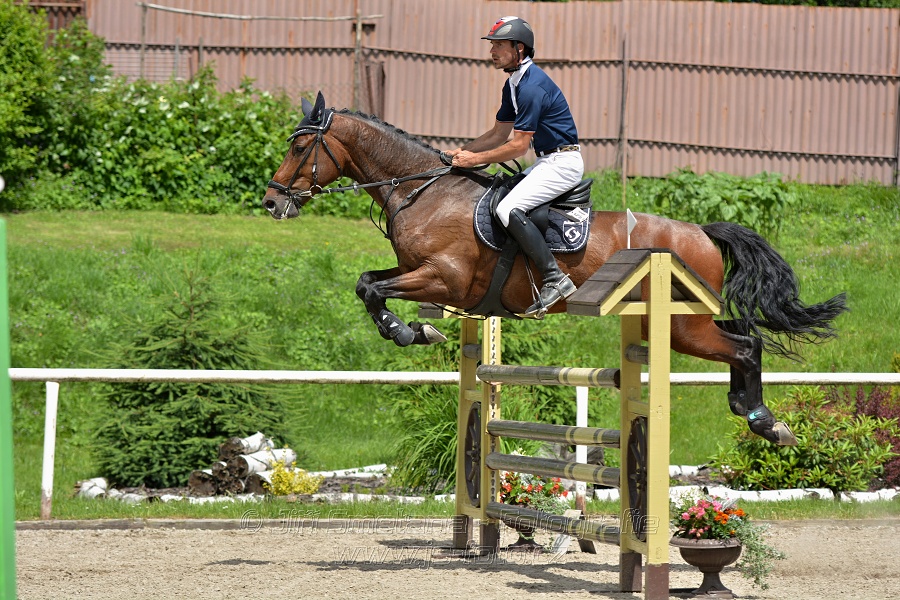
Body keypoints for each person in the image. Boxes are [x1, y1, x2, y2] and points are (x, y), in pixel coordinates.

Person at [447, 16, 584, 317]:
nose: (492, 50)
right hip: (548, 159)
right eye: (491, 44)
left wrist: (475, 160)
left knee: (507, 210)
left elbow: (519, 145)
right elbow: (498, 133)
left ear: (519, 48)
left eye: (498, 45)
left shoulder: (532, 86)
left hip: (563, 163)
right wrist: (462, 151)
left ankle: (554, 278)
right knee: (496, 198)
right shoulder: (513, 83)